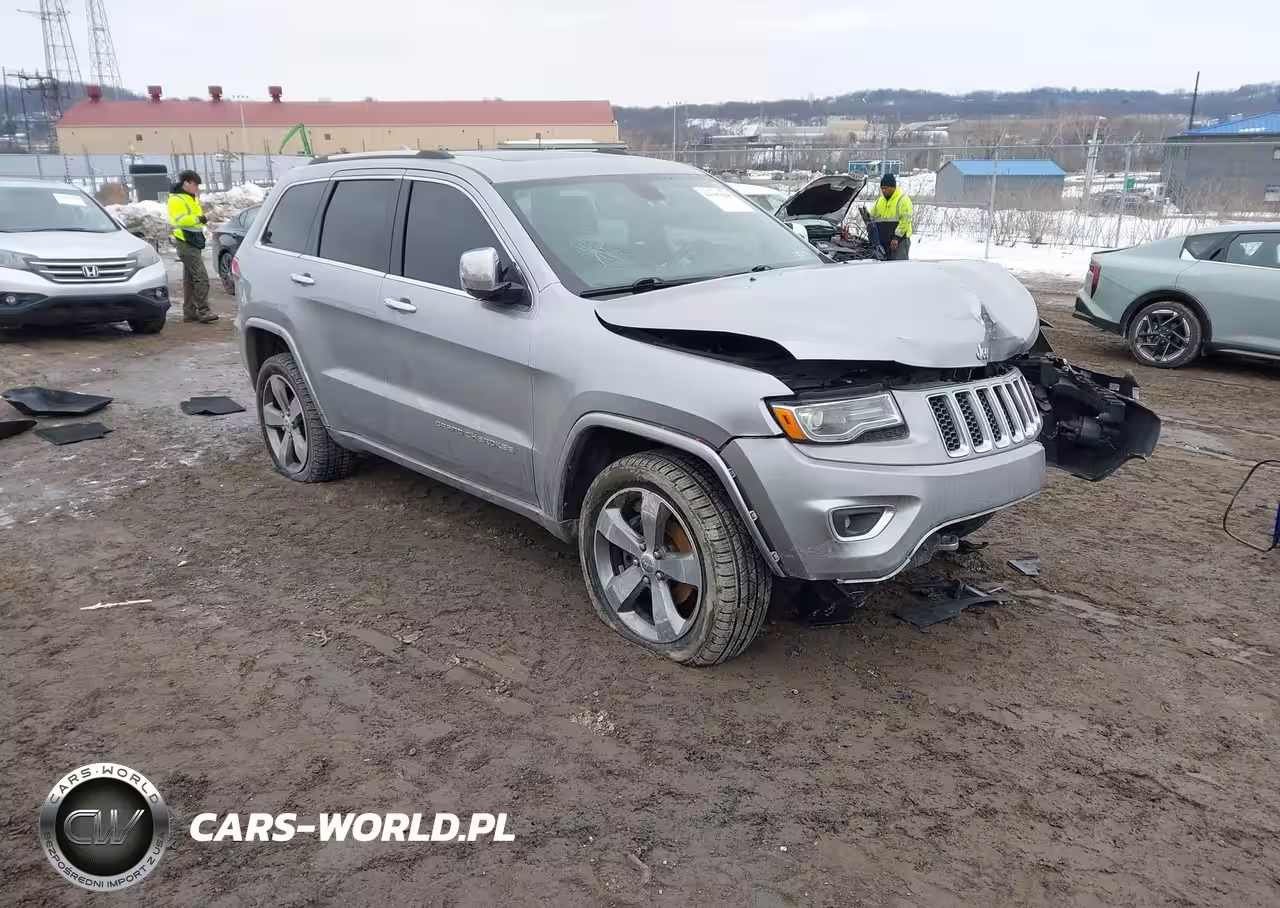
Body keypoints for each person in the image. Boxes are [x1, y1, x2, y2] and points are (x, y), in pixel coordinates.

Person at [167, 170, 218, 323]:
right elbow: (181, 220)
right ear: (186, 183)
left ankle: (189, 312)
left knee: (190, 280)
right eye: (195, 184)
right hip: (185, 242)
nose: (197, 188)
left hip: (193, 241)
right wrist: (202, 218)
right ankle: (204, 311)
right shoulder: (177, 200)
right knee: (201, 278)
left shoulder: (191, 198)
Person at [869, 172, 913, 260]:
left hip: (899, 242)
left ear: (893, 187)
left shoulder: (903, 200)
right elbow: (871, 217)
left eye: (885, 188)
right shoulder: (879, 201)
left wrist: (896, 238)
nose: (883, 191)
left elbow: (905, 220)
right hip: (883, 243)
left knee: (898, 267)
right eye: (882, 188)